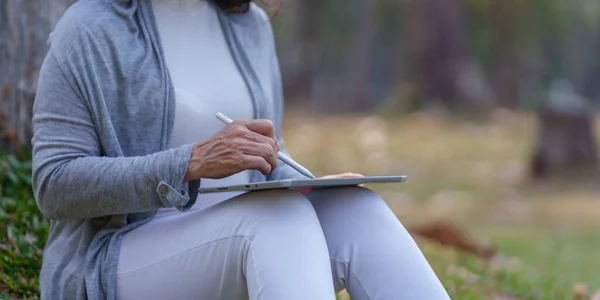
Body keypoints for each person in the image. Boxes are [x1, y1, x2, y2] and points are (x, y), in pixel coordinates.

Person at [31, 0, 451, 299]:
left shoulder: (249, 24)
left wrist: (308, 185)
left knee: (356, 209)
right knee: (274, 222)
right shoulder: (88, 26)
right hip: (119, 254)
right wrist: (190, 162)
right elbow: (54, 184)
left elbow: (267, 152)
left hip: (253, 233)